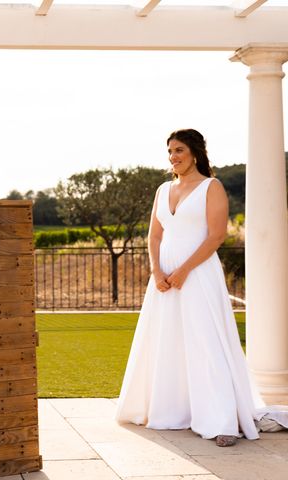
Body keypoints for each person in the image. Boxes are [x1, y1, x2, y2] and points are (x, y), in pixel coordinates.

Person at [115, 128, 287, 446]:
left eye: (179, 150)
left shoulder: (212, 186)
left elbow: (216, 236)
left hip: (198, 274)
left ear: (194, 152)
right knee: (166, 339)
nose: (173, 157)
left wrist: (183, 271)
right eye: (169, 151)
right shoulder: (162, 189)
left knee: (205, 340)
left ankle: (220, 419)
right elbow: (154, 235)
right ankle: (171, 409)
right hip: (164, 279)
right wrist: (157, 270)